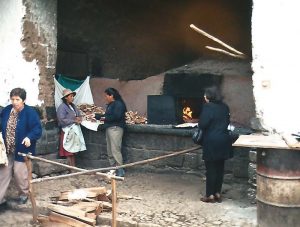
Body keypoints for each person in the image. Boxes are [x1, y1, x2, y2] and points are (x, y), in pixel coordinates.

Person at [0, 88, 42, 209]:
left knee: (20, 173)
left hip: (22, 150)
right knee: (3, 174)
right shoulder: (7, 110)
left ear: (23, 100)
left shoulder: (30, 112)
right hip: (7, 150)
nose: (14, 102)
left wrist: (29, 137)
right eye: (12, 99)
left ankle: (24, 194)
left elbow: (37, 129)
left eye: (17, 99)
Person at [198, 86, 233, 203]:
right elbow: (227, 122)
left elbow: (203, 124)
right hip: (224, 139)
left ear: (209, 96)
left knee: (211, 169)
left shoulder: (208, 107)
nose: (204, 97)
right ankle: (217, 193)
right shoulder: (225, 107)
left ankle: (209, 195)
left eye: (205, 95)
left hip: (212, 141)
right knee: (220, 168)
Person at [95, 88, 127, 177]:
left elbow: (116, 117)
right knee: (110, 149)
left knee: (115, 149)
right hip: (109, 128)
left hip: (116, 129)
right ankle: (113, 168)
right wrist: (99, 116)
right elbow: (108, 116)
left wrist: (102, 118)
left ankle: (120, 169)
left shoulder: (118, 104)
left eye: (106, 95)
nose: (105, 97)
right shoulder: (111, 104)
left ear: (111, 95)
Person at [57, 89, 86, 167]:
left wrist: (79, 118)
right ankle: (70, 168)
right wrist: (73, 120)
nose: (72, 97)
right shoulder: (62, 107)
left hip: (74, 130)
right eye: (71, 96)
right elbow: (61, 119)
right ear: (66, 97)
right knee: (68, 151)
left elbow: (78, 114)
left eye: (73, 96)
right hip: (67, 131)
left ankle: (73, 167)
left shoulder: (73, 106)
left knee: (73, 151)